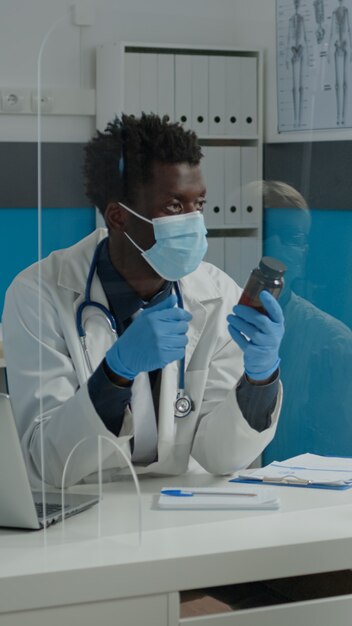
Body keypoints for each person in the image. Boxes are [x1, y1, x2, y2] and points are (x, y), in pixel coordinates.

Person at [2, 113, 284, 489]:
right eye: (173, 206)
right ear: (118, 216)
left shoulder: (216, 295)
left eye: (198, 204)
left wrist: (259, 380)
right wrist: (116, 373)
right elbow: (49, 461)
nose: (193, 221)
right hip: (85, 508)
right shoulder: (39, 294)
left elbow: (222, 457)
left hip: (183, 511)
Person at [262, 180, 352, 462]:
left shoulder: (332, 340)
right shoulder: (198, 313)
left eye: (293, 238)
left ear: (304, 254)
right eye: (269, 232)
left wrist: (329, 414)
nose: (275, 246)